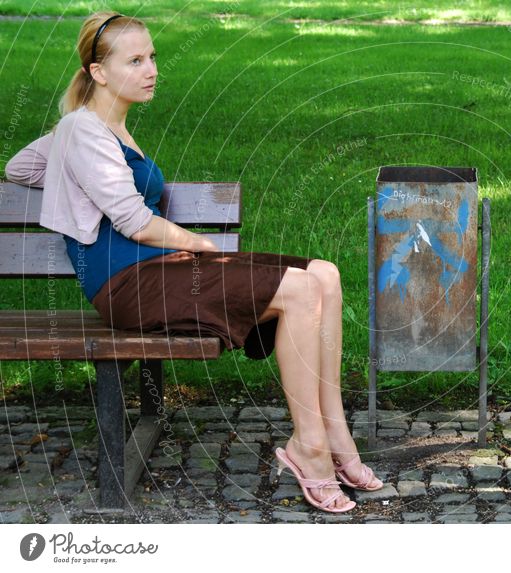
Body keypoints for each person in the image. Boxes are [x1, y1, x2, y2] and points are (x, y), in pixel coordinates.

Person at [3, 11, 382, 513]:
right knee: (301, 289)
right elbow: (134, 223)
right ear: (98, 72)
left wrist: (70, 168)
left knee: (324, 274)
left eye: (152, 57)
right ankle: (307, 449)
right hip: (128, 284)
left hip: (161, 271)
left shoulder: (100, 128)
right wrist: (203, 244)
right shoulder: (83, 129)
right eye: (135, 60)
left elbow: (20, 167)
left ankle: (337, 437)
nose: (151, 69)